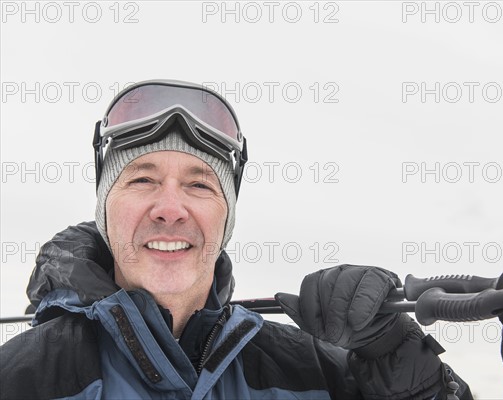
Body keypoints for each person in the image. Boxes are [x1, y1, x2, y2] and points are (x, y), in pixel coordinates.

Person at [0, 80, 473, 399]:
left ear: (227, 216)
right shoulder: (20, 377)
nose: (170, 208)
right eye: (142, 180)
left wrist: (407, 371)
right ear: (104, 210)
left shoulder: (317, 373)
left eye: (199, 184)